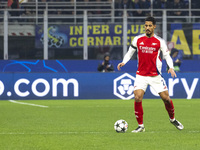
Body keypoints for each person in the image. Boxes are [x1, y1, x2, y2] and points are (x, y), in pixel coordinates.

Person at [117, 16, 184, 133]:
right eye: (145, 26)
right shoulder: (137, 39)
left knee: (166, 99)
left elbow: (167, 56)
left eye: (149, 26)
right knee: (137, 97)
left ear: (154, 26)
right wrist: (124, 61)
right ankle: (141, 126)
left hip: (155, 76)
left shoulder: (160, 41)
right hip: (141, 75)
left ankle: (172, 119)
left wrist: (171, 67)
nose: (147, 28)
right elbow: (130, 52)